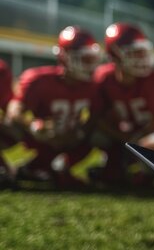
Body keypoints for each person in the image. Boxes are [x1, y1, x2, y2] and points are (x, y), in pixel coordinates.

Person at [5, 26, 100, 186]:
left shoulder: (93, 86)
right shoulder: (39, 79)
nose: (89, 65)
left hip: (71, 138)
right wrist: (33, 126)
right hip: (41, 136)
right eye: (84, 59)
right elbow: (14, 110)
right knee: (9, 126)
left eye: (91, 59)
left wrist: (80, 132)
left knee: (96, 134)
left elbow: (96, 117)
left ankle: (52, 167)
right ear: (65, 57)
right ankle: (9, 167)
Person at [91, 22, 154, 183]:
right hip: (123, 134)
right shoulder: (103, 77)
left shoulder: (153, 78)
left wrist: (136, 139)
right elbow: (97, 117)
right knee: (94, 136)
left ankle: (138, 167)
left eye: (142, 52)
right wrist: (123, 137)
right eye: (134, 53)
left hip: (152, 134)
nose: (141, 59)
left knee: (153, 165)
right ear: (115, 55)